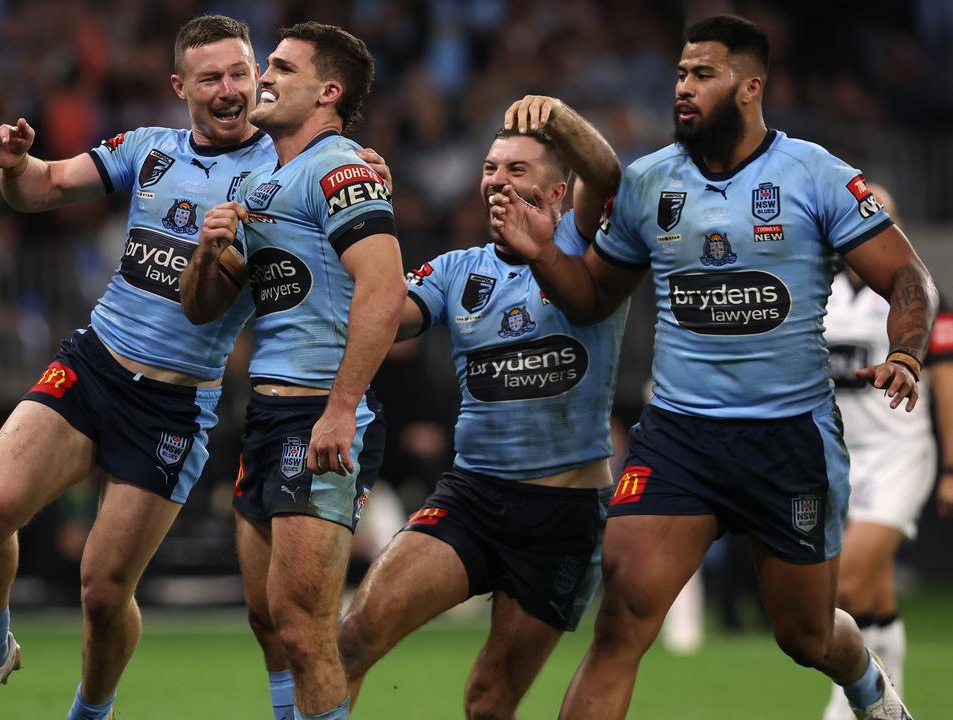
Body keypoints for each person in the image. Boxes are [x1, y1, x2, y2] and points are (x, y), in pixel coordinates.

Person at [0, 16, 388, 720]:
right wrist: (16, 167)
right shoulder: (148, 150)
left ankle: (91, 712)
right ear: (181, 87)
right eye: (212, 77)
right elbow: (47, 186)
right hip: (94, 366)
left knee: (102, 591)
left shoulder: (289, 164)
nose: (234, 88)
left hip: (174, 406)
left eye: (243, 72)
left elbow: (340, 175)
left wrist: (365, 169)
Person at [490, 15, 935, 720]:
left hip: (788, 439)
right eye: (679, 74)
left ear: (751, 86)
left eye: (704, 74)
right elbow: (594, 298)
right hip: (680, 440)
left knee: (806, 634)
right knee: (621, 624)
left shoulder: (815, 175)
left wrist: (907, 352)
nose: (684, 89)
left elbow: (909, 279)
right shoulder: (647, 183)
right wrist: (544, 253)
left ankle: (870, 689)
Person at [336, 94, 624, 719]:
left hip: (562, 514)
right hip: (471, 498)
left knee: (488, 703)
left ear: (556, 193)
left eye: (517, 169)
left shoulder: (586, 247)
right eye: (491, 167)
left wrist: (560, 119)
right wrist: (366, 219)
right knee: (352, 639)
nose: (497, 180)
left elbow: (606, 175)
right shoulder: (458, 269)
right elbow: (391, 318)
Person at [180, 22, 404, 720]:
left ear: (328, 91)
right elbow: (205, 308)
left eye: (280, 65)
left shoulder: (340, 168)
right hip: (268, 415)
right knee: (269, 622)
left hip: (319, 413)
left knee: (306, 629)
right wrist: (208, 252)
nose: (261, 76)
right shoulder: (264, 181)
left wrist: (343, 407)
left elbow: (384, 286)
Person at [822, 184, 953, 720]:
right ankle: (891, 704)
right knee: (872, 596)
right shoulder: (821, 291)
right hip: (840, 459)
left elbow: (946, 383)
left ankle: (847, 704)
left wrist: (951, 466)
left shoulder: (913, 294)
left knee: (847, 581)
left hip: (900, 453)